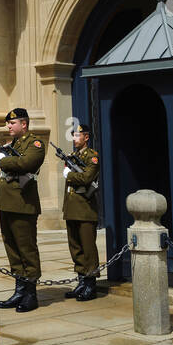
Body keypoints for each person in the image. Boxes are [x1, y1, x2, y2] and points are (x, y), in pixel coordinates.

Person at [0, 107, 46, 313]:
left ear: (24, 124)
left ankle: (31, 294)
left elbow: (27, 163)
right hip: (6, 202)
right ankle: (19, 289)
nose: (9, 126)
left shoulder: (35, 143)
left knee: (26, 248)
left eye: (12, 123)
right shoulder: (12, 145)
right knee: (12, 247)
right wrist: (7, 159)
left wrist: (3, 161)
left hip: (23, 204)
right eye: (8, 123)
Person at [62, 123, 100, 302]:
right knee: (75, 247)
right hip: (71, 208)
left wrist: (69, 174)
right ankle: (81, 281)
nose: (75, 138)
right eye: (73, 135)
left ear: (86, 137)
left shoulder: (92, 157)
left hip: (85, 209)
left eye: (78, 135)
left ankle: (90, 284)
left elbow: (86, 178)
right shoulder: (72, 156)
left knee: (88, 247)